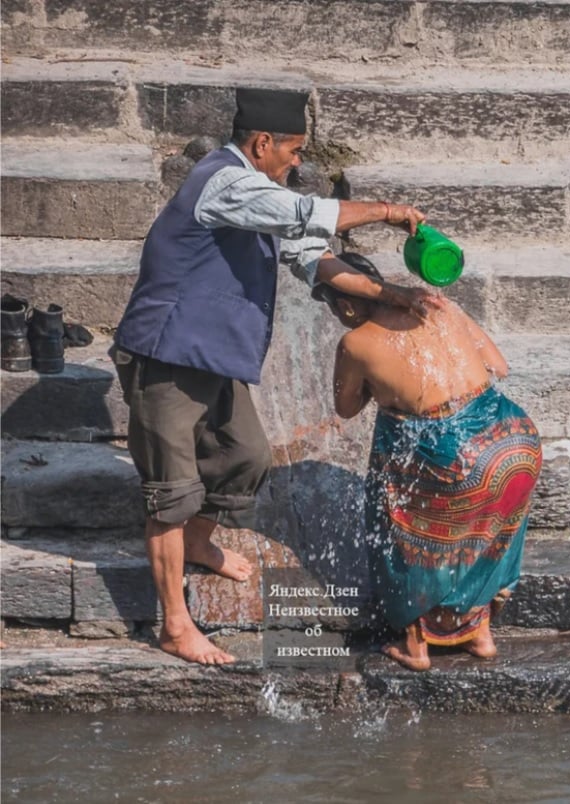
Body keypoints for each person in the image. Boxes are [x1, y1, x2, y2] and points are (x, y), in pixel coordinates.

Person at [112, 87, 440, 665]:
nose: (297, 162)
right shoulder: (226, 182)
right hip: (166, 354)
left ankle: (199, 544)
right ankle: (174, 625)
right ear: (261, 143)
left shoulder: (263, 193)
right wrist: (389, 212)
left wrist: (394, 294)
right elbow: (306, 214)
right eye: (292, 150)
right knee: (171, 494)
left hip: (213, 356)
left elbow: (315, 256)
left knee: (247, 458)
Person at [318, 253, 542, 671]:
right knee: (487, 532)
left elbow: (346, 408)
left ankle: (415, 643)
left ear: (345, 305)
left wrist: (384, 388)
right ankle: (481, 633)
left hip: (456, 455)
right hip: (514, 441)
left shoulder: (355, 342)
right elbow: (499, 366)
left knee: (397, 515)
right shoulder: (440, 306)